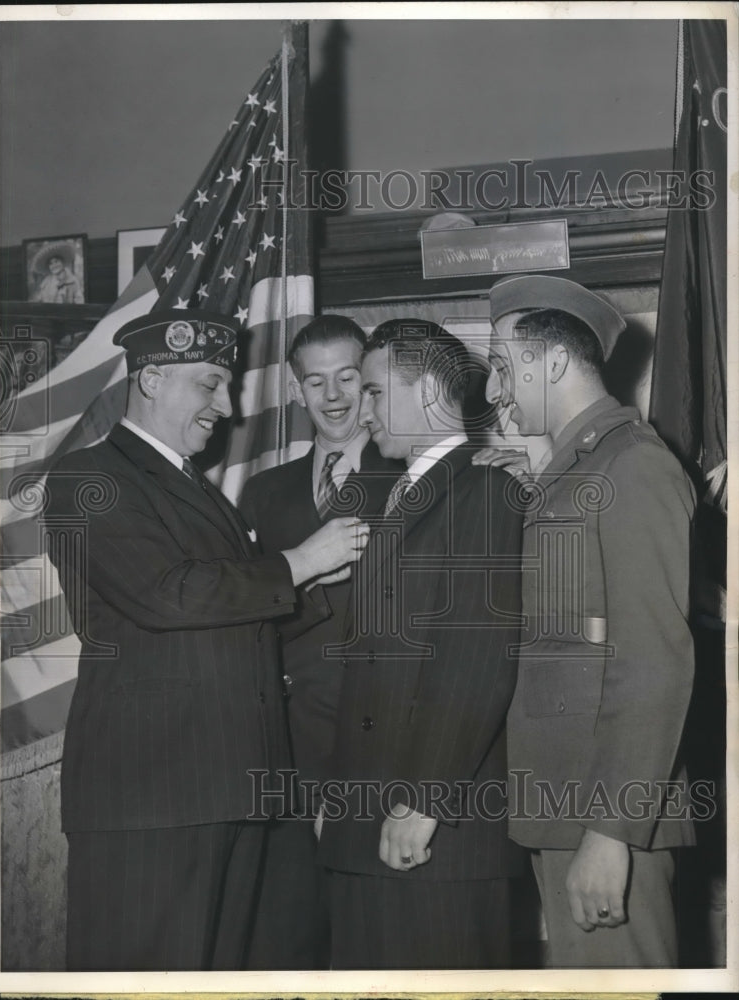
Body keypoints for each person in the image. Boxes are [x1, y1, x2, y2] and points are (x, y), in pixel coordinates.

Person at [44, 309, 369, 971]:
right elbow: (169, 594)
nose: (227, 407)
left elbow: (240, 627)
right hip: (154, 800)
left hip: (229, 791)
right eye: (211, 385)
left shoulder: (204, 494)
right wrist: (297, 565)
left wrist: (329, 581)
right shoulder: (90, 478)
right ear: (153, 380)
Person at [478, 274, 696, 967]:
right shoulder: (579, 468)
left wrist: (611, 831)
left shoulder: (632, 466)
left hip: (602, 817)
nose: (494, 392)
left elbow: (654, 662)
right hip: (566, 807)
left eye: (503, 366)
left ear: (553, 363)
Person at [316, 318, 524, 969]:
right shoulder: (398, 494)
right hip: (367, 823)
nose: (359, 409)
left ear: (430, 389)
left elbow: (476, 657)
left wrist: (426, 797)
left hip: (436, 830)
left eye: (374, 392)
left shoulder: (485, 489)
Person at [238, 314, 402, 969]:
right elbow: (243, 619)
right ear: (295, 389)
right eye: (315, 382)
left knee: (379, 935)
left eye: (347, 378)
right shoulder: (262, 492)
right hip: (292, 743)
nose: (333, 396)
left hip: (386, 743)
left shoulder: (414, 480)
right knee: (294, 932)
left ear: (370, 382)